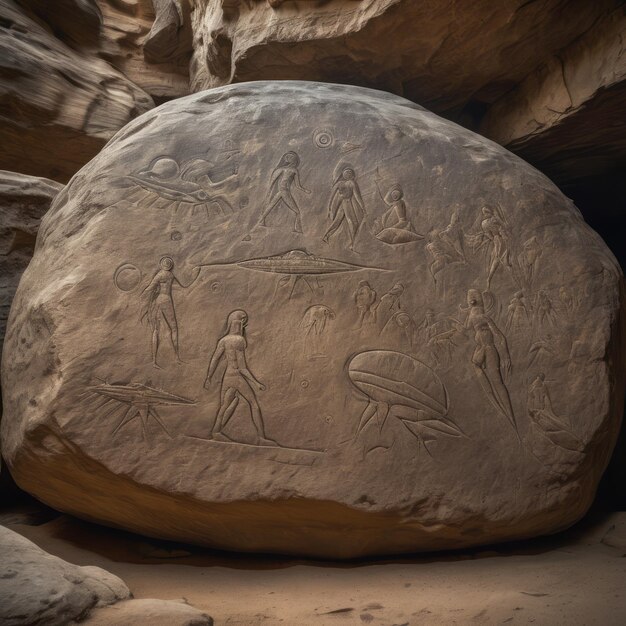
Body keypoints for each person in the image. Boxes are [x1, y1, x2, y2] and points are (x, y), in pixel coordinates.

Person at [204, 310, 275, 445]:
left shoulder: (223, 340)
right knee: (254, 405)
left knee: (226, 405)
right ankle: (261, 438)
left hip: (227, 377)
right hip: (236, 376)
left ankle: (216, 432)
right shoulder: (239, 340)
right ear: (240, 322)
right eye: (244, 322)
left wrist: (208, 377)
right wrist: (256, 383)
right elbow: (242, 367)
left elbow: (214, 359)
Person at [462, 289, 516, 430]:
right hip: (481, 349)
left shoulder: (485, 318)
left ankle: (510, 415)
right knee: (476, 364)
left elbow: (500, 337)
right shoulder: (474, 317)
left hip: (490, 349)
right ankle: (494, 400)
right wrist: (468, 311)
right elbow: (466, 327)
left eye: (473, 300)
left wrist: (506, 356)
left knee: (497, 382)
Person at [141, 256, 199, 368]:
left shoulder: (159, 275)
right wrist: (195, 274)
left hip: (158, 300)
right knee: (174, 328)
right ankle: (177, 357)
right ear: (170, 265)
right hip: (167, 300)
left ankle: (154, 361)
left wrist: (142, 294)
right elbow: (185, 285)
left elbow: (150, 287)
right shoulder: (171, 275)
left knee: (156, 330)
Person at [259, 152, 310, 233]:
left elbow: (297, 186)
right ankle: (298, 229)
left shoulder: (285, 170)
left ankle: (261, 221)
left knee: (270, 205)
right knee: (297, 211)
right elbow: (298, 186)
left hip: (281, 191)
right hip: (284, 192)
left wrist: (305, 190)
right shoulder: (291, 170)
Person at [322, 167, 366, 251]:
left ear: (352, 175)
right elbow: (331, 197)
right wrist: (330, 208)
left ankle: (326, 236)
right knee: (354, 223)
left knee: (338, 221)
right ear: (343, 174)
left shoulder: (351, 183)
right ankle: (353, 245)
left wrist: (362, 206)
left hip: (345, 203)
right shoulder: (346, 183)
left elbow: (357, 196)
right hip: (346, 203)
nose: (348, 174)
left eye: (349, 173)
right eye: (346, 172)